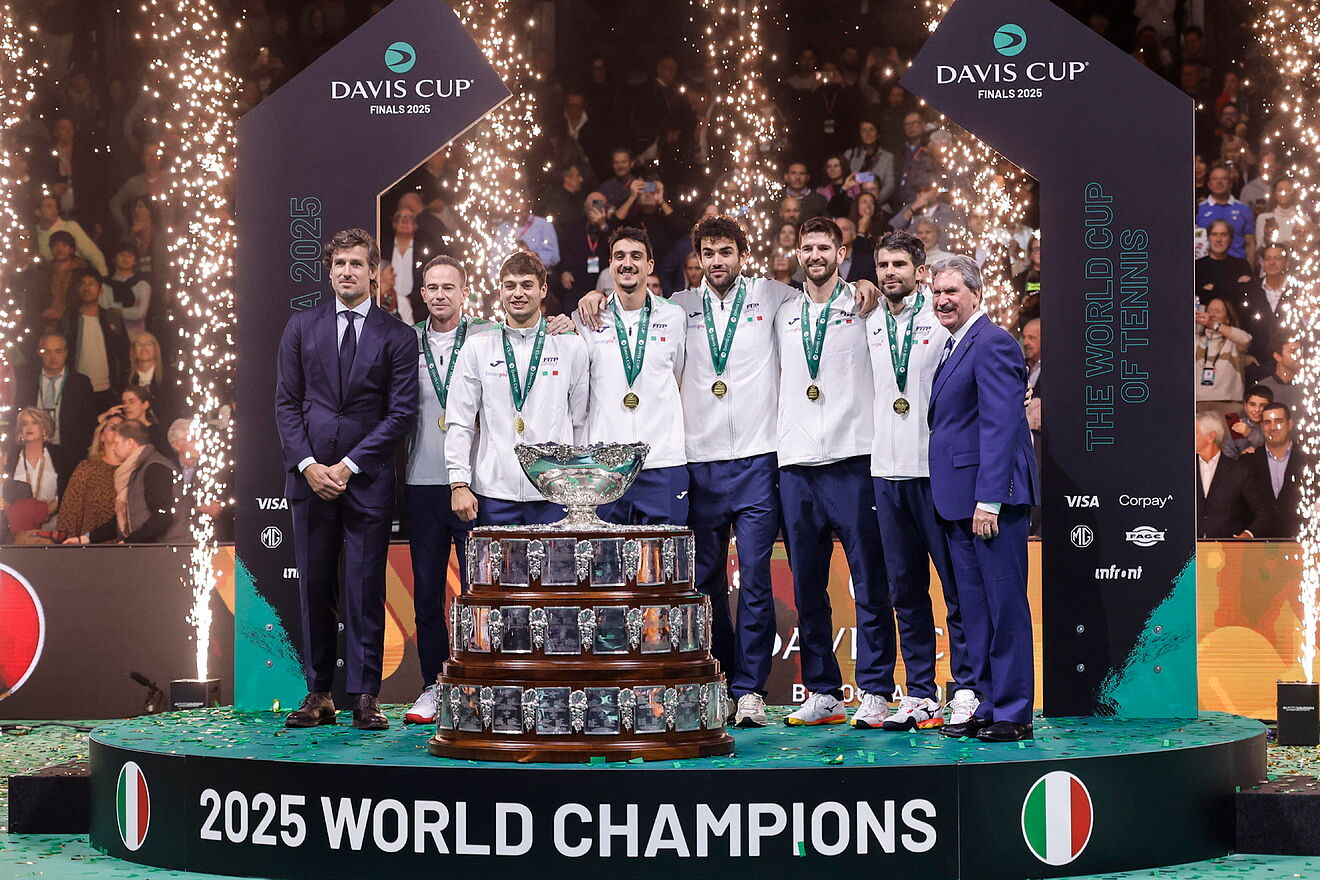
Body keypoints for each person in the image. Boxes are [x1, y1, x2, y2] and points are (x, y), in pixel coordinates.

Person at [659, 214, 879, 727]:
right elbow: (630, 319)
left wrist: (862, 281)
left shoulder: (774, 297)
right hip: (699, 462)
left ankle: (750, 689)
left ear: (743, 254)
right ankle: (717, 681)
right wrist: (582, 309)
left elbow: (830, 289)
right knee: (706, 583)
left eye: (726, 252)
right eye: (708, 254)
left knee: (756, 578)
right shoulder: (677, 309)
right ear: (698, 260)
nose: (717, 262)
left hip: (761, 460)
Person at [274, 228, 420, 731]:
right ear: (329, 269)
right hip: (310, 480)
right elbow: (286, 406)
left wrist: (349, 465)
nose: (346, 272)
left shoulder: (398, 335)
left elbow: (400, 414)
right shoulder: (301, 327)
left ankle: (365, 695)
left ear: (373, 271)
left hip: (367, 482)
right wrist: (309, 466)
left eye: (356, 264)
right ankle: (318, 693)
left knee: (363, 587)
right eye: (339, 264)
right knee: (314, 586)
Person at [774, 217, 894, 728]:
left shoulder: (865, 306)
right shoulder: (781, 314)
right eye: (808, 247)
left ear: (842, 252)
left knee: (868, 581)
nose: (815, 255)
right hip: (797, 465)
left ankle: (876, 689)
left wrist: (870, 283)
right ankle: (824, 692)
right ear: (797, 253)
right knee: (808, 588)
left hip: (853, 461)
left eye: (825, 247)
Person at [866, 231, 977, 731]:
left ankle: (968, 687)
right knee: (905, 590)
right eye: (883, 265)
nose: (890, 273)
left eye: (900, 265)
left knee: (955, 589)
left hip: (935, 474)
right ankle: (919, 694)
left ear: (919, 271)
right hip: (885, 472)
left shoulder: (942, 319)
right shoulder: (863, 317)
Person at [927, 255, 1039, 742]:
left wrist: (989, 499)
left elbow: (1002, 426)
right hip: (959, 502)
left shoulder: (992, 343)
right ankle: (989, 705)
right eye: (936, 292)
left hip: (990, 503)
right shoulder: (953, 346)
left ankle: (1014, 712)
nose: (942, 299)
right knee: (976, 612)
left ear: (976, 294)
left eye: (952, 291)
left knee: (1004, 607)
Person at [402, 256, 487, 725]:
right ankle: (433, 685)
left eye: (447, 287)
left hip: (476, 485)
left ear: (463, 291)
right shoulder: (405, 341)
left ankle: (477, 684)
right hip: (421, 484)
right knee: (427, 594)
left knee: (479, 594)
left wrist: (560, 321)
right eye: (431, 287)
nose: (439, 295)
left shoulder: (487, 338)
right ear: (422, 292)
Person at [445, 252, 589, 526]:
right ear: (500, 291)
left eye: (526, 285)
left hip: (555, 492)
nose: (518, 293)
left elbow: (581, 419)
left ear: (543, 289)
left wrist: (576, 484)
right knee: (495, 571)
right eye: (510, 285)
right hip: (494, 492)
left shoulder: (569, 344)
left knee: (554, 571)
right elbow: (460, 420)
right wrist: (458, 483)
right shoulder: (478, 346)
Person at [574, 227, 688, 524]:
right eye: (619, 256)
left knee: (667, 569)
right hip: (605, 466)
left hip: (663, 462)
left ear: (650, 265)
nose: (627, 263)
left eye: (636, 256)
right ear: (610, 265)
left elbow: (680, 376)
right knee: (605, 568)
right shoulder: (587, 318)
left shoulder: (674, 316)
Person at [65, 419, 185, 545]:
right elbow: (130, 515)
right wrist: (86, 538)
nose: (112, 447)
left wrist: (130, 541)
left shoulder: (155, 468)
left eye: (116, 442)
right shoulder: (138, 469)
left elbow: (162, 516)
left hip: (167, 550)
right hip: (156, 549)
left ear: (130, 443)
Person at [14, 331, 96, 493]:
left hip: (69, 452)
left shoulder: (80, 383)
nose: (53, 357)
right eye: (47, 352)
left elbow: (88, 420)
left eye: (58, 351)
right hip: (33, 450)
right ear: (39, 352)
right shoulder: (27, 380)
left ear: (66, 353)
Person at [60, 269, 131, 409]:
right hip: (77, 390)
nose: (87, 288)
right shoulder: (69, 320)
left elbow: (124, 354)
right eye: (83, 284)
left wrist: (123, 384)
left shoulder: (113, 319)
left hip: (109, 389)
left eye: (92, 284)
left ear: (100, 290)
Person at [1195, 411, 1271, 539]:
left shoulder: (1239, 471)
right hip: (1189, 552)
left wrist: (1247, 535)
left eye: (1195, 432)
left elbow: (1265, 511)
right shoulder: (1183, 469)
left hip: (1228, 551)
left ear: (1211, 437)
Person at [56, 416, 123, 538]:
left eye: (122, 429)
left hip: (125, 547)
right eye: (112, 427)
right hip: (90, 548)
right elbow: (70, 511)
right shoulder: (87, 468)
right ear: (101, 435)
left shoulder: (131, 470)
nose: (117, 432)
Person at [1240, 245, 1297, 383]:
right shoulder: (1251, 290)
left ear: (1287, 262)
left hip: (1290, 367)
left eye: (1277, 258)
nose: (1272, 263)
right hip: (1257, 364)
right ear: (1262, 263)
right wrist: (1244, 356)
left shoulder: (1296, 291)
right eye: (1268, 258)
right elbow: (1241, 325)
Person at [1253, 403, 1310, 539]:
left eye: (1279, 421)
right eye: (1267, 422)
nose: (1273, 428)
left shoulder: (1310, 460)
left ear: (1290, 424)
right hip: (1257, 545)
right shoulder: (1248, 461)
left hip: (1300, 541)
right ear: (1261, 426)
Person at [1194, 297, 1251, 415]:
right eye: (1209, 310)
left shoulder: (1233, 342)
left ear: (1228, 319)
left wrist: (1214, 325)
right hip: (1198, 402)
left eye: (1217, 311)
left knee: (1233, 434)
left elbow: (1246, 339)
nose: (1211, 315)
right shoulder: (1196, 339)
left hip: (1229, 404)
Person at [5, 408, 60, 529]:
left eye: (34, 423)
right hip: (18, 527)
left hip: (52, 526)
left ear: (44, 429)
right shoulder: (12, 459)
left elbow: (65, 492)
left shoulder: (58, 457)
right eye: (24, 424)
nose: (28, 427)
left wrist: (47, 510)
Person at [1196, 164, 1255, 265]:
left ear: (1230, 184)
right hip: (1206, 267)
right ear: (1209, 184)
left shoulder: (1244, 209)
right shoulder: (1199, 209)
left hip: (1237, 266)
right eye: (1214, 179)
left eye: (1224, 179)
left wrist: (1250, 271)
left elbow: (1250, 244)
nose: (1219, 182)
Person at [1195, 218, 1252, 307]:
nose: (1218, 239)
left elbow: (1245, 297)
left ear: (1231, 238)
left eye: (1224, 235)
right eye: (1214, 234)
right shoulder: (1197, 267)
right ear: (1208, 238)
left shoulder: (1242, 265)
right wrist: (1235, 286)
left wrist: (1213, 289)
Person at [843, 120, 896, 211]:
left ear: (877, 133)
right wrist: (857, 205)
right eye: (864, 130)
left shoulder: (888, 157)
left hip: (879, 207)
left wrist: (872, 203)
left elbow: (889, 186)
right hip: (852, 207)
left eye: (871, 130)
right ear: (860, 134)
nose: (868, 133)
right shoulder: (849, 155)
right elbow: (846, 181)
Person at [104, 242, 152, 338]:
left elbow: (139, 313)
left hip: (134, 337)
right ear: (114, 258)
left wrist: (116, 311)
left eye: (129, 256)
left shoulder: (142, 285)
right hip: (111, 336)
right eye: (121, 255)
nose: (125, 259)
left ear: (135, 260)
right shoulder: (105, 285)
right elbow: (104, 312)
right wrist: (129, 310)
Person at [1259, 332, 1304, 417]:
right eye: (1293, 352)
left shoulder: (1309, 388)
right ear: (1277, 356)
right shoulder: (1262, 389)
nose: (1299, 356)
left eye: (1300, 351)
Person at [1222, 385, 1272, 459]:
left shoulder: (1274, 425)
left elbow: (1275, 448)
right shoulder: (1239, 424)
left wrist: (1250, 434)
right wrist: (1242, 457)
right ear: (1245, 406)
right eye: (1252, 405)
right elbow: (1228, 455)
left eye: (1263, 405)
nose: (1257, 410)